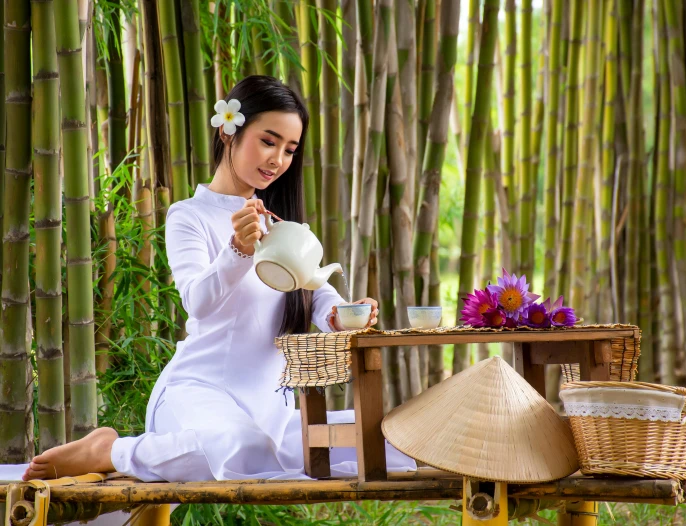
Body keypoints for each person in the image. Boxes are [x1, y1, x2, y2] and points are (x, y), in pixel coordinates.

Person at [21, 76, 416, 482]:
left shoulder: (285, 227)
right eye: (268, 140)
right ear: (229, 131)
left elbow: (319, 294)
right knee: (242, 451)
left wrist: (343, 315)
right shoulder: (188, 216)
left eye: (290, 149)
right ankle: (112, 449)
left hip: (269, 409)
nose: (278, 158)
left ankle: (252, 451)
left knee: (391, 440)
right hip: (198, 393)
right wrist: (238, 252)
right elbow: (198, 300)